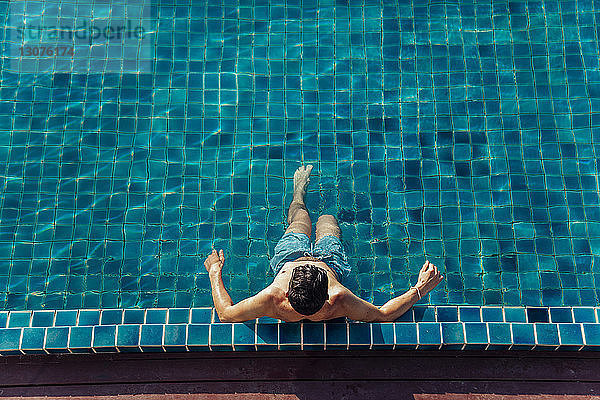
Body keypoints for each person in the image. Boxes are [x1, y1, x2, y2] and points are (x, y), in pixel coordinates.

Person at [204, 164, 444, 322]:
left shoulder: (273, 297)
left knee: (300, 216)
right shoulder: (339, 297)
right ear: (328, 293)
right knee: (328, 220)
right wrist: (420, 288)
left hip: (289, 256)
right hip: (330, 260)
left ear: (287, 291)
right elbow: (382, 314)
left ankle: (299, 193)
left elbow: (225, 314)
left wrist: (215, 273)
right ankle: (314, 194)